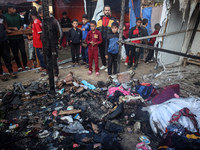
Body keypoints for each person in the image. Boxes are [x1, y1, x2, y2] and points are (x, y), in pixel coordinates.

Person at [38, 7, 63, 81]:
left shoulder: (54, 21)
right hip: (45, 44)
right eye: (41, 16)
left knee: (54, 59)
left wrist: (57, 42)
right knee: (46, 59)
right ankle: (49, 74)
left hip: (53, 44)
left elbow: (60, 33)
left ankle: (56, 75)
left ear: (47, 13)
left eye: (43, 16)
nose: (42, 18)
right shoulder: (43, 21)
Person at [4, 3, 29, 72]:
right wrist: (12, 28)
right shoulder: (5, 16)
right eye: (13, 9)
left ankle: (25, 65)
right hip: (12, 38)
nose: (15, 10)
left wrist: (21, 28)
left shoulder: (18, 16)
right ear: (9, 9)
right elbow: (4, 26)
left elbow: (21, 24)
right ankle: (19, 66)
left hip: (20, 37)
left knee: (23, 52)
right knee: (15, 53)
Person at [97, 5, 115, 72]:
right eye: (106, 10)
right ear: (103, 11)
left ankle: (109, 66)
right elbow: (98, 30)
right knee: (102, 53)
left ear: (110, 11)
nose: (107, 12)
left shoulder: (113, 20)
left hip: (109, 40)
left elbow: (115, 30)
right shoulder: (99, 20)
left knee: (109, 54)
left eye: (108, 10)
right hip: (101, 40)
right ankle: (104, 64)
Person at [0, 7, 16, 81]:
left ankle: (10, 71)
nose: (0, 13)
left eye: (1, 12)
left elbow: (5, 26)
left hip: (4, 39)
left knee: (7, 56)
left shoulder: (2, 17)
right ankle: (1, 74)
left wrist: (7, 29)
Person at [30, 9, 46, 76]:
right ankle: (42, 67)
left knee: (42, 56)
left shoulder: (36, 22)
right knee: (40, 56)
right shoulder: (37, 21)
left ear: (31, 15)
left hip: (39, 43)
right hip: (37, 43)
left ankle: (45, 69)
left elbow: (40, 33)